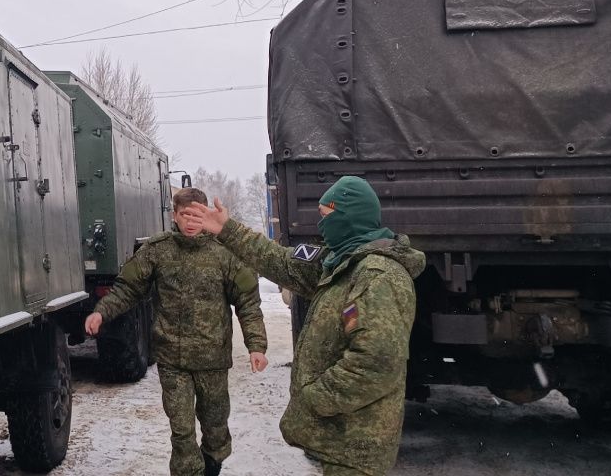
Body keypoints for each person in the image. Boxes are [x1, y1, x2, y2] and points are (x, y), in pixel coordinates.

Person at [186, 175, 425, 476]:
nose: (321, 225)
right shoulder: (343, 262)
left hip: (356, 448)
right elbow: (283, 262)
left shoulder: (377, 276)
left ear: (347, 217)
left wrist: (313, 397)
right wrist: (227, 230)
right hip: (340, 441)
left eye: (326, 217)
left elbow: (375, 364)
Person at [85, 187, 268, 476]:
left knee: (215, 427)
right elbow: (128, 288)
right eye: (185, 215)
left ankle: (212, 462)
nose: (191, 221)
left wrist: (256, 345)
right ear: (175, 215)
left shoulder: (226, 254)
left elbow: (247, 301)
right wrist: (101, 311)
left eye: (197, 215)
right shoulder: (158, 251)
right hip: (173, 360)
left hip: (213, 359)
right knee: (181, 429)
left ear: (206, 214)